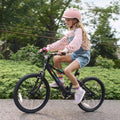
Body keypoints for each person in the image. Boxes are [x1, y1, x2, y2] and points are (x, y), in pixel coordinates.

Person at [39, 8, 90, 104]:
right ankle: (60, 82)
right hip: (75, 54)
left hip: (83, 56)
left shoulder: (78, 31)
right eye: (65, 20)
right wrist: (47, 48)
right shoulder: (70, 33)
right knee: (56, 58)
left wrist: (66, 50)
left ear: (75, 20)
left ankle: (79, 90)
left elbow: (76, 42)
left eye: (68, 20)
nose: (66, 22)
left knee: (67, 70)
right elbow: (60, 42)